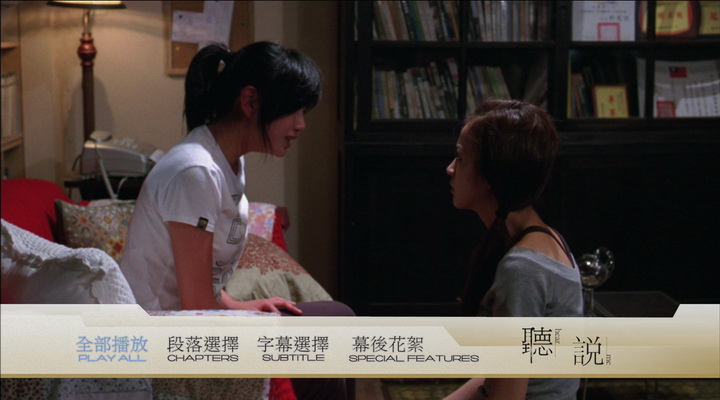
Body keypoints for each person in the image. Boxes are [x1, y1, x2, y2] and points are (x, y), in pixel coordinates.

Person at [120, 41, 353, 399]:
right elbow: (197, 306)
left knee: (337, 318)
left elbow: (205, 284)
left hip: (188, 320)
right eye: (295, 110)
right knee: (331, 332)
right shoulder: (195, 171)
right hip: (162, 336)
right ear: (250, 101)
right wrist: (246, 322)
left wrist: (241, 306)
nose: (301, 125)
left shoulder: (225, 160)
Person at [443, 100, 583, 400]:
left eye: (461, 157)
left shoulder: (523, 269)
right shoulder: (543, 237)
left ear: (491, 174)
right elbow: (494, 376)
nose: (450, 168)